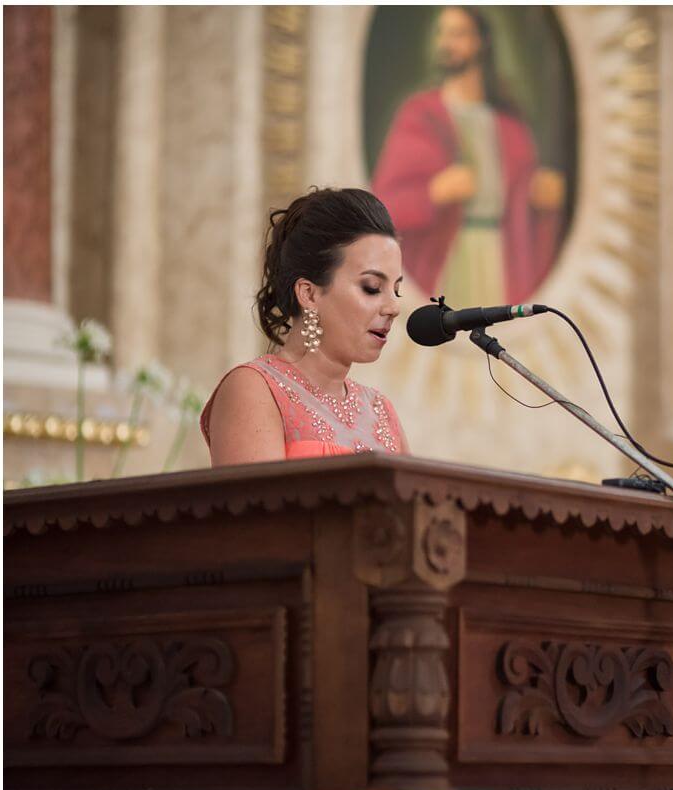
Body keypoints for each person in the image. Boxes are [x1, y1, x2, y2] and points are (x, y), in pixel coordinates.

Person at [370, 6, 564, 309]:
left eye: (458, 34)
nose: (447, 43)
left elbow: (522, 208)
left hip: (502, 262)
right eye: (442, 33)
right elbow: (383, 206)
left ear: (481, 42)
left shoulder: (511, 127)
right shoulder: (419, 116)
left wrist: (540, 199)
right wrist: (434, 193)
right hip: (447, 260)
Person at [201, 188, 409, 464]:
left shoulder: (380, 410)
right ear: (309, 294)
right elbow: (254, 505)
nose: (393, 307)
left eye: (396, 289)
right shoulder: (254, 388)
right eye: (372, 288)